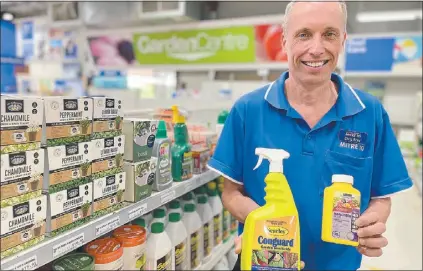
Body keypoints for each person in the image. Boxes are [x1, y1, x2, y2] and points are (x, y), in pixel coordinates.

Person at [207, 1, 413, 270]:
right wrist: (264, 223)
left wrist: (371, 222)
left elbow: (381, 195)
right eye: (303, 34)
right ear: (284, 41)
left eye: (329, 34)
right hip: (265, 261)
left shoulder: (369, 113)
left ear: (343, 40)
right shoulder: (248, 110)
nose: (316, 48)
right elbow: (231, 192)